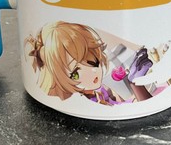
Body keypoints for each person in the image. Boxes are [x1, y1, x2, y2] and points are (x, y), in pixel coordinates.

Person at [25, 21, 154, 105]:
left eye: (93, 62)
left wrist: (135, 84)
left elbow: (127, 106)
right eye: (75, 74)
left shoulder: (102, 90)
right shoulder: (74, 102)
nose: (93, 72)